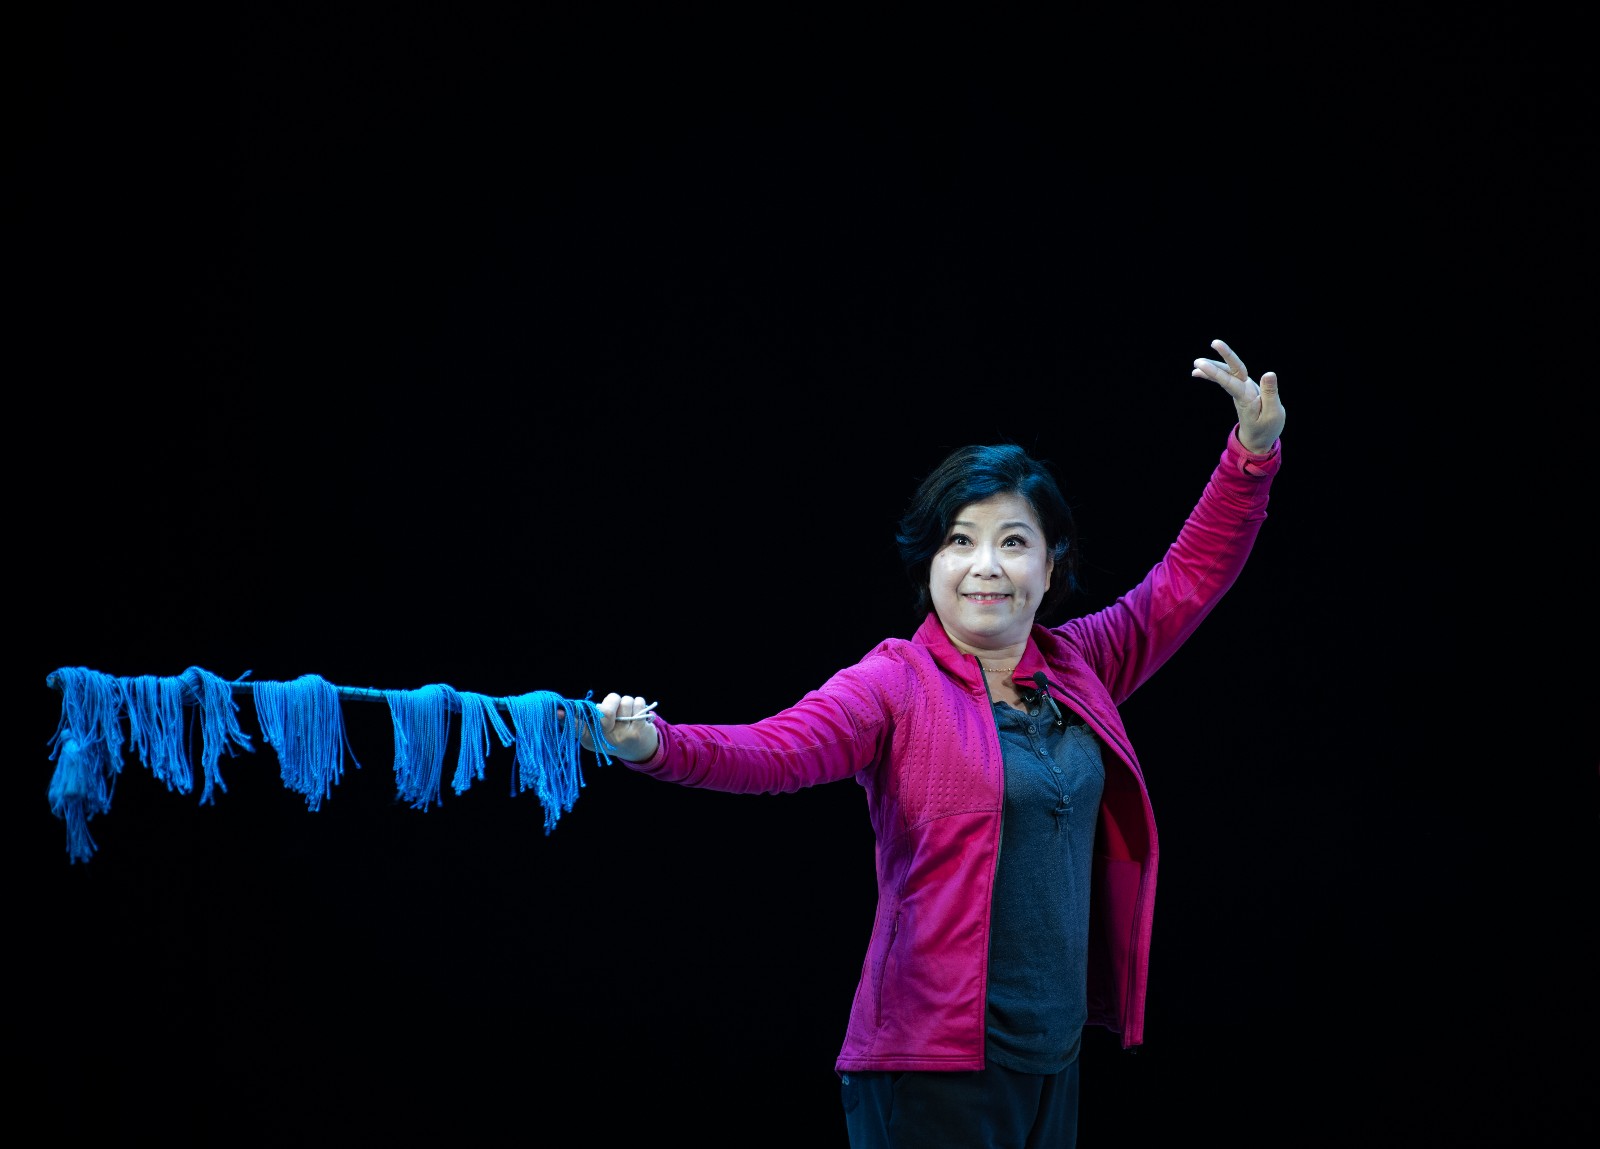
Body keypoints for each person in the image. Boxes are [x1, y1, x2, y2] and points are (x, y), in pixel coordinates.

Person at [581, 338, 1285, 1147]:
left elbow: (1185, 581)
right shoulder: (895, 682)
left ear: (1050, 564)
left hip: (1052, 1055)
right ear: (931, 563)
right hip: (931, 1065)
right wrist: (654, 743)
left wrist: (1250, 455)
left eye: (1013, 541)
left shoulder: (1081, 664)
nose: (986, 565)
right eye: (959, 540)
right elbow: (773, 751)